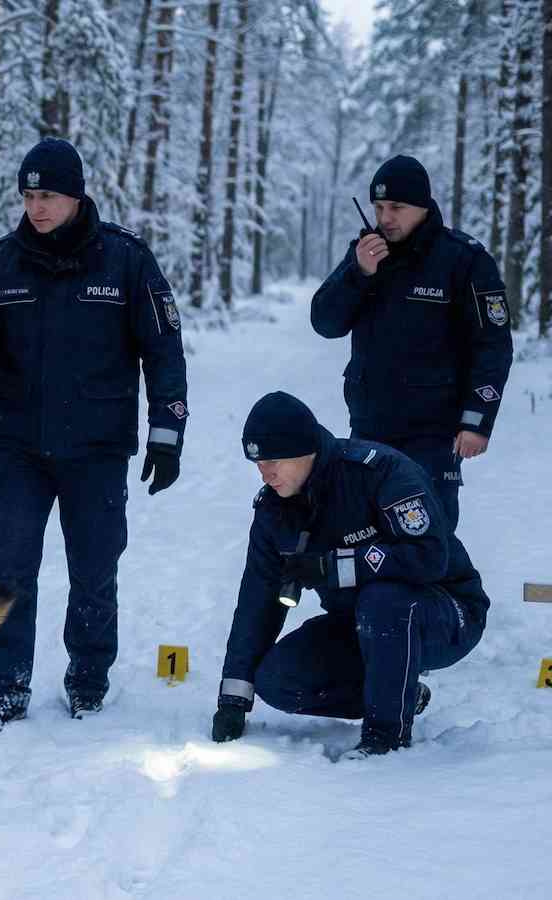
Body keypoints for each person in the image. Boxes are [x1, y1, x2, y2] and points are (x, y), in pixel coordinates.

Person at [0, 138, 188, 732]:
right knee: (9, 570)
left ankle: (87, 680)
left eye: (48, 197)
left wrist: (167, 431)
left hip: (98, 449)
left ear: (76, 197)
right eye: (28, 197)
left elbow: (163, 351)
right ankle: (5, 688)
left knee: (94, 570)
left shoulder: (126, 260)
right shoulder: (2, 263)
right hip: (19, 447)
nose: (36, 208)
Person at [212, 392, 489, 760]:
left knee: (383, 600)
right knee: (278, 680)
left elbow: (428, 558)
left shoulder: (379, 472)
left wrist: (334, 566)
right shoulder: (274, 510)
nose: (266, 473)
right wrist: (233, 698)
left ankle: (385, 738)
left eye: (274, 460)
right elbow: (257, 600)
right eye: (258, 463)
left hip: (445, 612)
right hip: (360, 623)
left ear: (305, 449)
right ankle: (402, 693)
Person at [310, 155, 512, 526]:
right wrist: (359, 274)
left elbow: (493, 345)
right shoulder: (366, 253)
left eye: (396, 207)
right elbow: (325, 323)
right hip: (369, 426)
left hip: (433, 435)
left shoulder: (463, 259)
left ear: (422, 205)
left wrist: (476, 421)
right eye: (379, 207)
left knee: (430, 538)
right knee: (365, 534)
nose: (385, 217)